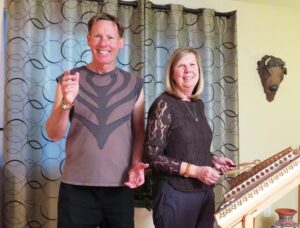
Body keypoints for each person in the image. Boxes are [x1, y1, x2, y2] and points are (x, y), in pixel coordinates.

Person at [45, 13, 148, 228]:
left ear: (121, 42)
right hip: (77, 190)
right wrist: (66, 102)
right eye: (98, 36)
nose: (104, 43)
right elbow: (54, 134)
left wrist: (137, 163)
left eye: (110, 37)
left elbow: (139, 131)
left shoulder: (135, 85)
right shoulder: (69, 80)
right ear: (88, 40)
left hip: (120, 189)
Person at [144, 47, 234, 228]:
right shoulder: (163, 104)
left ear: (199, 70)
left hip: (204, 194)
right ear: (172, 73)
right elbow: (152, 157)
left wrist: (213, 160)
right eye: (181, 66)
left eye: (192, 64)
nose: (188, 70)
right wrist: (196, 171)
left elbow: (188, 147)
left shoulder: (197, 105)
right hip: (174, 194)